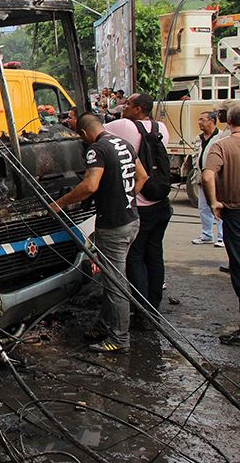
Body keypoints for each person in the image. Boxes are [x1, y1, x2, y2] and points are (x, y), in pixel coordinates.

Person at [53, 113, 148, 353]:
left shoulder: (97, 149)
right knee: (111, 278)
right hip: (131, 220)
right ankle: (105, 324)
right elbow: (143, 176)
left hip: (114, 226)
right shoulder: (123, 143)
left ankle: (119, 338)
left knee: (116, 283)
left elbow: (90, 185)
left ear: (84, 134)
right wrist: (125, 198)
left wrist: (60, 203)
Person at [105, 93, 172, 315]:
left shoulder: (124, 126)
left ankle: (142, 308)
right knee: (155, 254)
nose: (124, 107)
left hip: (141, 206)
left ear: (138, 109)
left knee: (135, 257)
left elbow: (94, 130)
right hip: (161, 204)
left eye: (128, 105)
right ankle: (154, 303)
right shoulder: (161, 128)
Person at [201, 103, 240, 345]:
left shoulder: (222, 145)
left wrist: (214, 202)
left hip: (234, 214)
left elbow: (207, 175)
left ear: (228, 122)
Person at [192, 111, 224, 247]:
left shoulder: (221, 137)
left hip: (216, 180)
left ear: (212, 121)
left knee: (219, 207)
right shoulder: (199, 138)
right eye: (199, 119)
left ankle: (222, 236)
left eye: (202, 120)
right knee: (203, 208)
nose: (199, 122)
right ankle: (206, 235)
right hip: (201, 178)